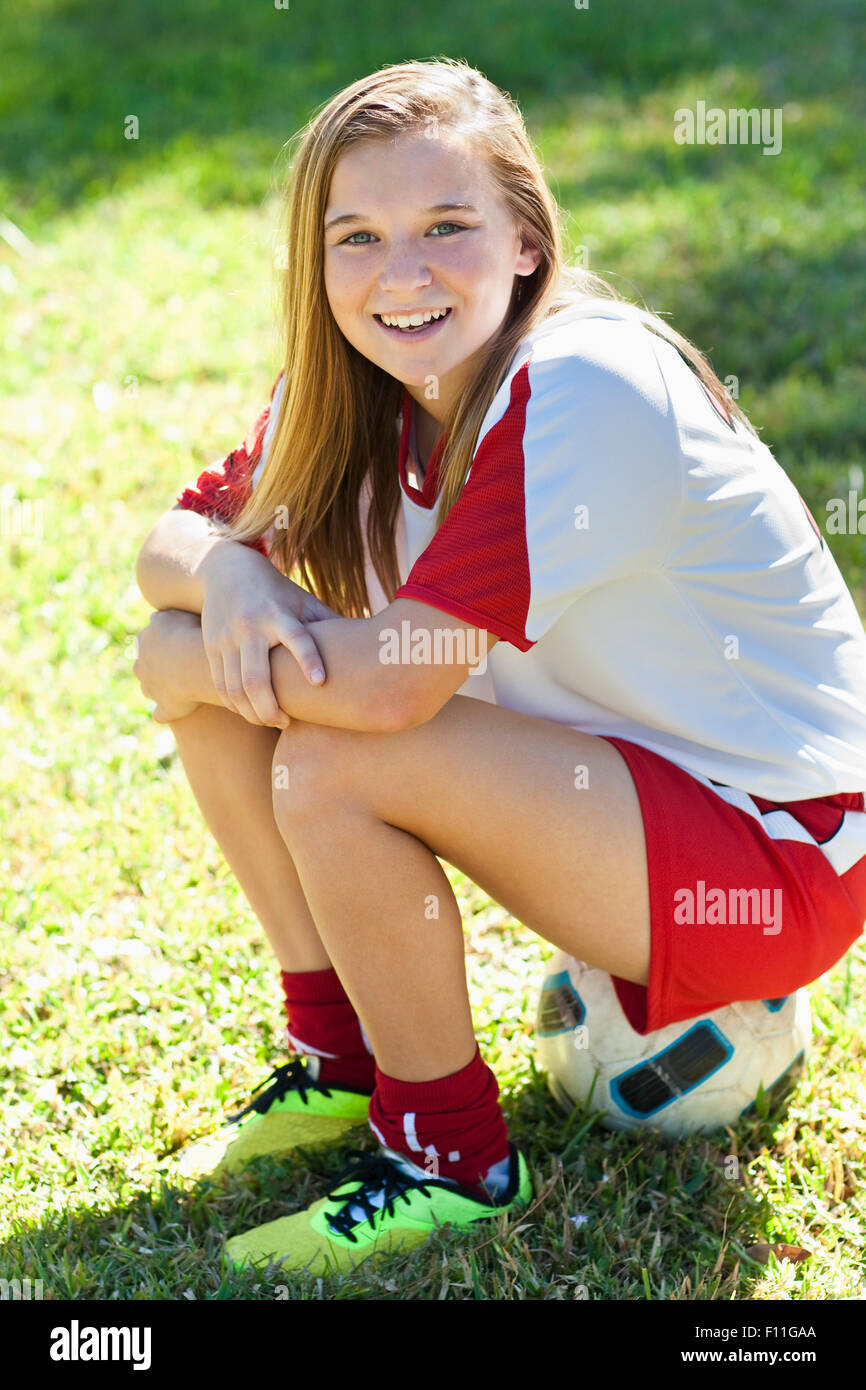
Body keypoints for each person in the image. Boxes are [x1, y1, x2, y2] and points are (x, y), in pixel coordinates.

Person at [133, 58, 866, 1276]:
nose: (399, 273)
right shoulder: (367, 384)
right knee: (212, 678)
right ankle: (338, 1057)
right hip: (621, 794)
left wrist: (196, 636)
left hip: (778, 849)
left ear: (526, 241)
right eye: (356, 236)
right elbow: (169, 544)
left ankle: (449, 1158)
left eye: (445, 227)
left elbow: (386, 691)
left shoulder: (585, 386)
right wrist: (224, 580)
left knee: (326, 755)